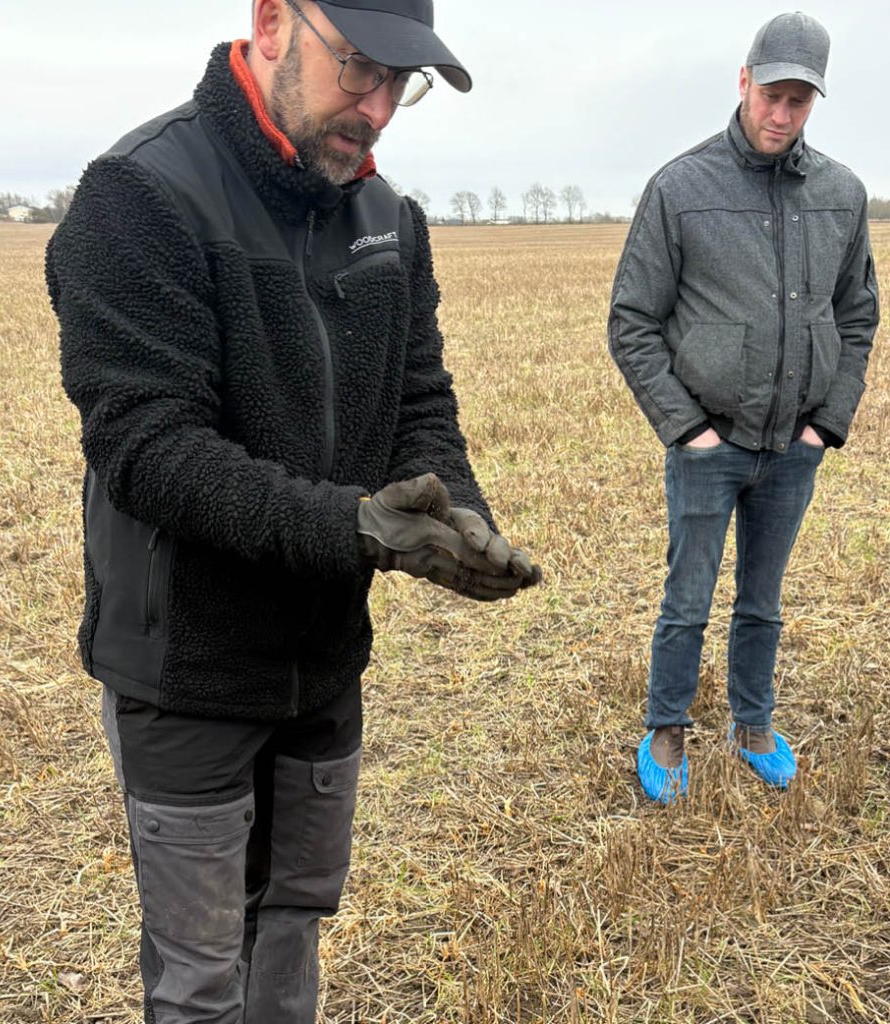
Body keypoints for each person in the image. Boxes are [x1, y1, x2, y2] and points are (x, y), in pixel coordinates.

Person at [45, 1, 540, 1019]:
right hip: (188, 666)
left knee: (294, 923)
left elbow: (418, 404)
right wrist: (354, 527)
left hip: (322, 657)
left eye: (400, 85)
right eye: (357, 69)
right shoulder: (139, 196)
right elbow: (150, 450)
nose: (376, 109)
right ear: (273, 22)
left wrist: (455, 512)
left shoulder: (385, 217)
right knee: (199, 974)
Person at [608, 12, 879, 805]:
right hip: (708, 442)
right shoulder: (680, 188)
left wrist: (825, 422)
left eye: (799, 100)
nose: (780, 113)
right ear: (743, 82)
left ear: (814, 102)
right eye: (771, 93)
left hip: (794, 447)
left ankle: (753, 721)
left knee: (764, 599)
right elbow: (631, 320)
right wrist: (685, 427)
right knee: (687, 599)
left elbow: (858, 313)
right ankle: (666, 724)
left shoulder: (841, 193)